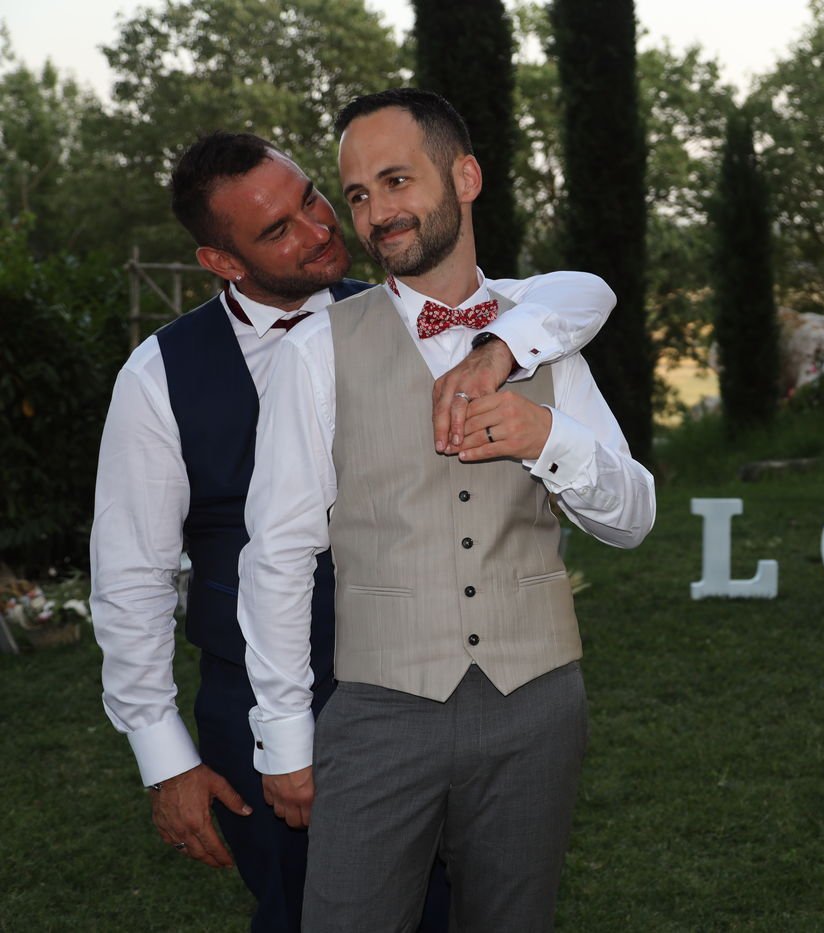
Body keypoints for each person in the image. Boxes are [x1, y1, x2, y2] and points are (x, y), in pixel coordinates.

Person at [90, 130, 616, 932]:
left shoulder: (406, 312)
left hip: (442, 681)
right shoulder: (160, 375)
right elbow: (131, 578)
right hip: (264, 699)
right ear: (223, 262)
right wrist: (166, 760)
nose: (320, 228)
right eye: (278, 230)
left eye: (311, 197)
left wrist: (501, 349)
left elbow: (566, 295)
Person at [237, 87, 656, 931]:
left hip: (537, 702)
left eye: (396, 181)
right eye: (357, 194)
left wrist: (546, 436)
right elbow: (278, 553)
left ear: (464, 176)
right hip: (381, 707)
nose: (376, 213)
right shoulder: (317, 351)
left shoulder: (542, 335)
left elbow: (633, 515)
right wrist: (282, 738)